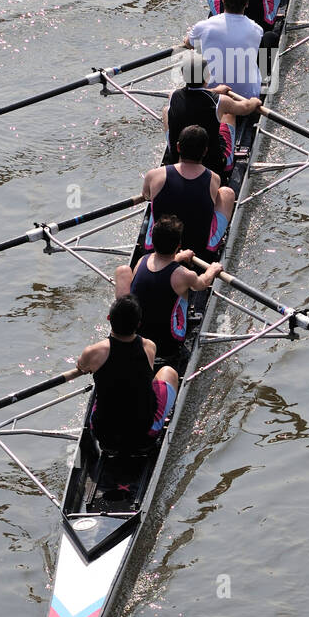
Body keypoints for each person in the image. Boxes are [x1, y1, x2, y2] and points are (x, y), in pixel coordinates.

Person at [76, 294, 178, 453]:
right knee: (168, 372)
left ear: (109, 318)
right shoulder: (149, 346)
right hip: (144, 435)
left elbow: (81, 366)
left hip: (105, 437)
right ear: (138, 324)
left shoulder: (93, 352)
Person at [115, 215, 222, 365]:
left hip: (138, 336)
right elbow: (202, 283)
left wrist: (179, 257)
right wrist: (212, 269)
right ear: (178, 244)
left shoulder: (142, 261)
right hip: (168, 344)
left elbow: (160, 267)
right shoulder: (184, 275)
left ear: (153, 240)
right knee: (190, 291)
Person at [141, 124, 234, 258]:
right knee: (226, 193)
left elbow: (147, 196)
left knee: (154, 202)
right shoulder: (214, 178)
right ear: (205, 151)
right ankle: (213, 243)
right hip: (200, 250)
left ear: (178, 147)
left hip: (158, 247)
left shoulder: (154, 175)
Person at [165, 48, 261, 177]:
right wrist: (254, 102)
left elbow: (195, 94)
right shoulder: (220, 101)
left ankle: (171, 149)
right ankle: (228, 160)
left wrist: (215, 90)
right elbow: (245, 109)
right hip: (214, 163)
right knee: (228, 113)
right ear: (207, 76)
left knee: (167, 111)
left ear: (183, 75)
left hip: (178, 157)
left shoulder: (173, 95)